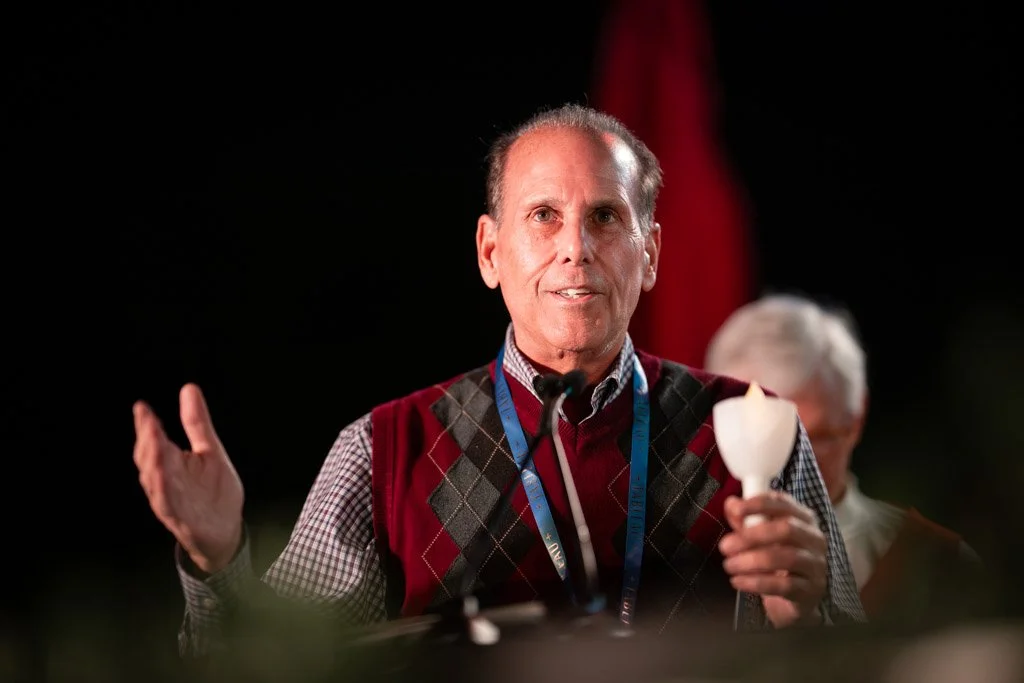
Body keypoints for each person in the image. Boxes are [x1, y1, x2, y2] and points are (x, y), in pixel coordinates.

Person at [132, 104, 865, 662]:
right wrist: (218, 561)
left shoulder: (751, 425)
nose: (575, 248)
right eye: (544, 216)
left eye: (604, 216)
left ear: (650, 254)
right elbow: (273, 667)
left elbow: (860, 663)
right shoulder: (382, 451)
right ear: (490, 252)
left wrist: (805, 617)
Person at [704, 293, 985, 625]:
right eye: (758, 436)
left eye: (814, 438)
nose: (788, 464)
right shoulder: (673, 559)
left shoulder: (937, 563)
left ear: (856, 419)